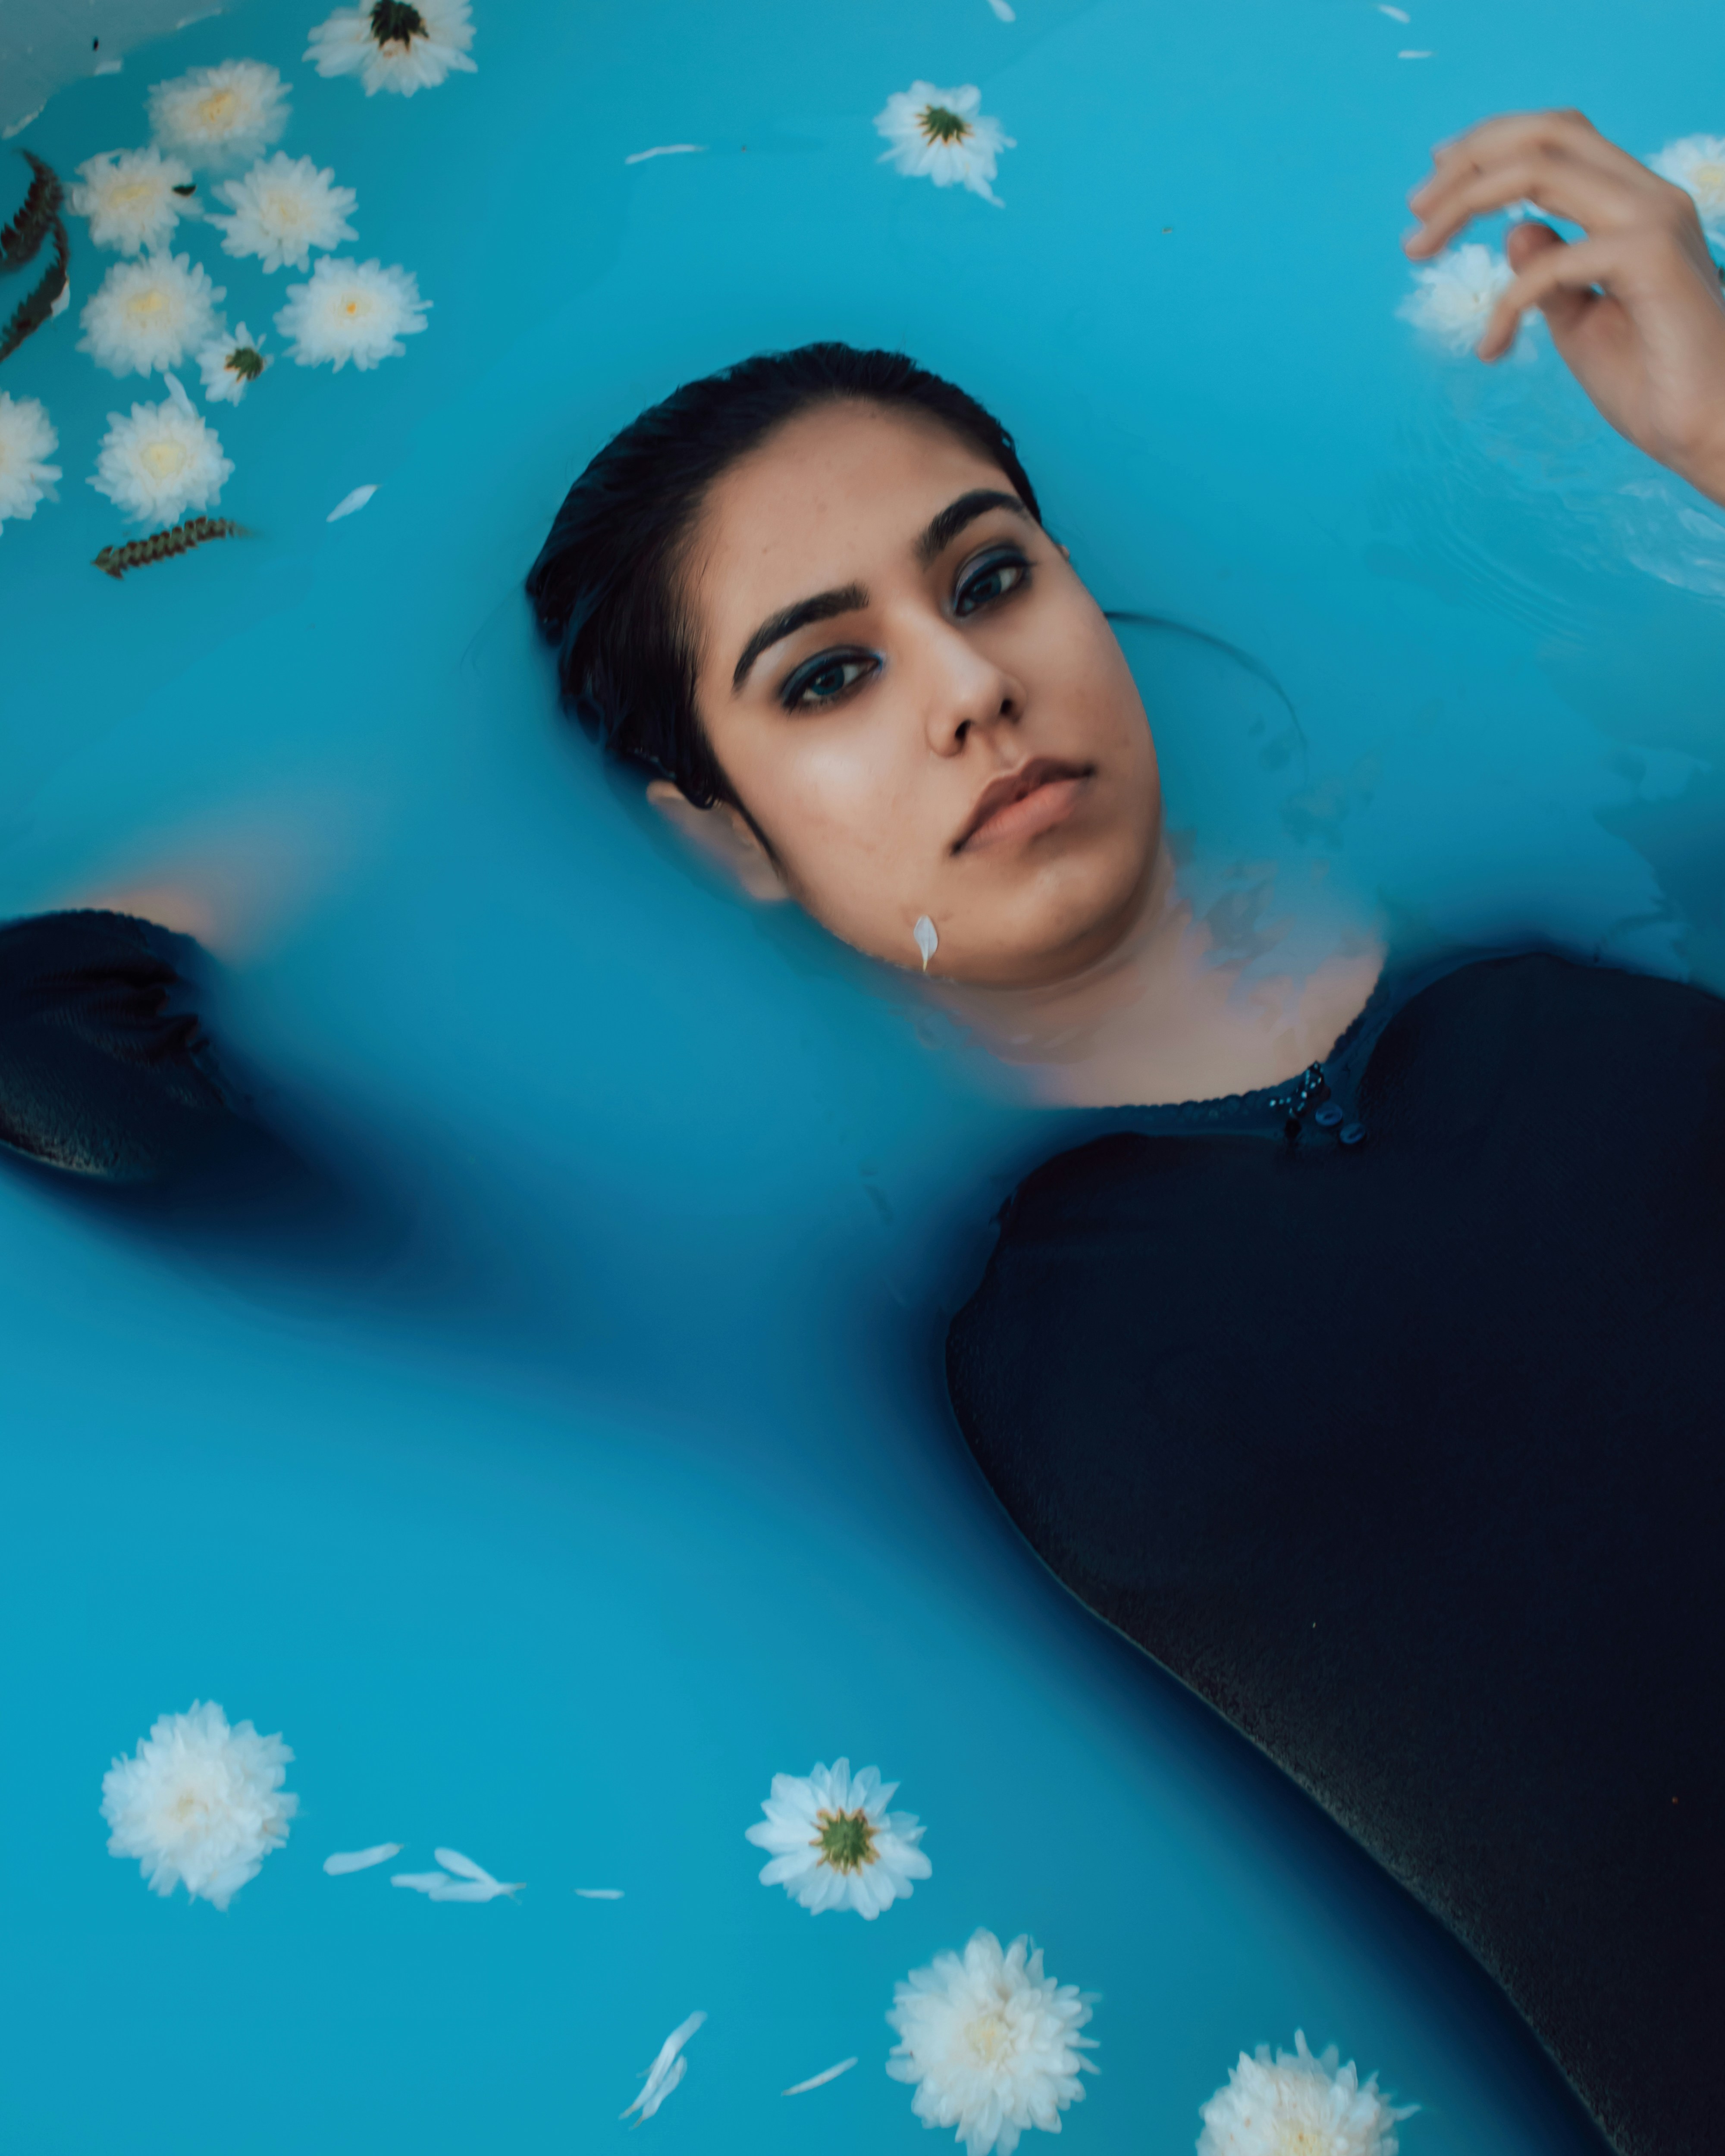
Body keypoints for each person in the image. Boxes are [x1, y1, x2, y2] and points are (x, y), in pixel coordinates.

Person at [529, 110, 1725, 2156]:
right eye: (827, 675)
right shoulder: (964, 1339)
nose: (970, 687)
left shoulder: (1590, 941)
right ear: (719, 834)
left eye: (989, 574)